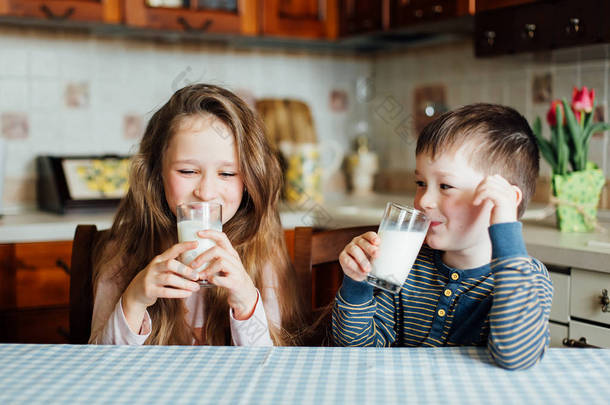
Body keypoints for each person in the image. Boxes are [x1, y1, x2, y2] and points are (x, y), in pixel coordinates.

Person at [332, 103, 553, 369]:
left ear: (503, 200)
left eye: (446, 186)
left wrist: (505, 225)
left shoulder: (526, 277)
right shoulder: (408, 265)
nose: (424, 200)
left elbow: (516, 357)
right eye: (421, 183)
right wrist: (357, 285)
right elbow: (357, 350)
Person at [89, 83, 303, 346]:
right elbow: (100, 367)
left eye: (227, 173)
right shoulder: (123, 254)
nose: (206, 192)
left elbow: (273, 370)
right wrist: (134, 300)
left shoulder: (263, 253)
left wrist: (246, 301)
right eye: (188, 172)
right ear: (156, 174)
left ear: (249, 180)